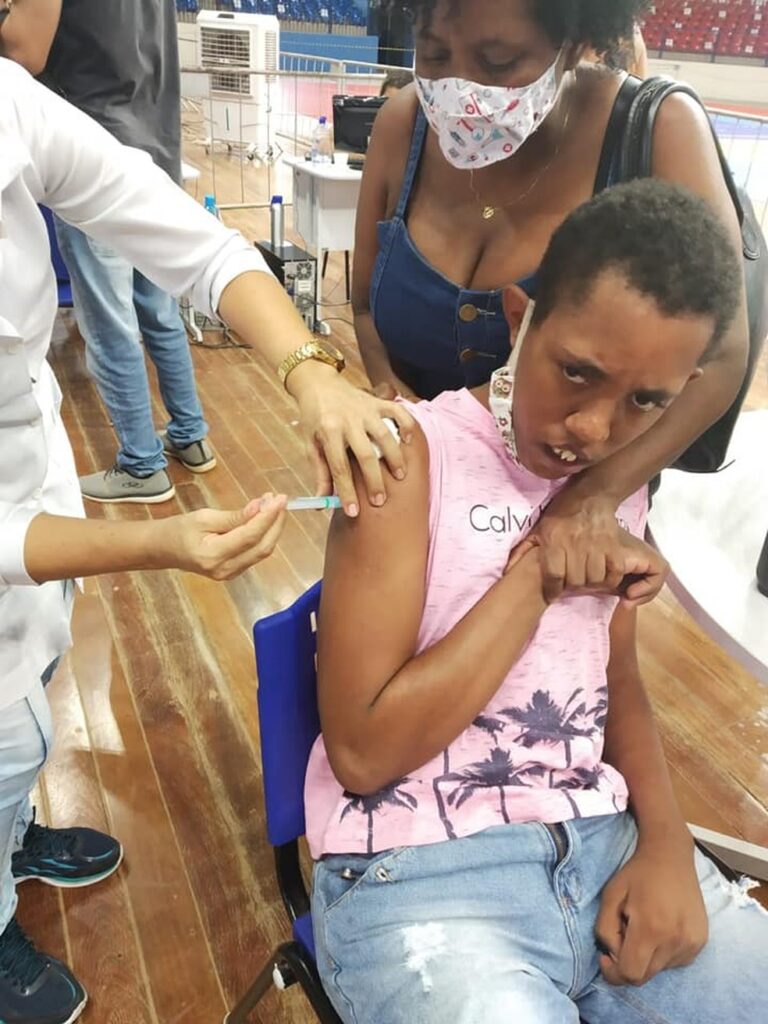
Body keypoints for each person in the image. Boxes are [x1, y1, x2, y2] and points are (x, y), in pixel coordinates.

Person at [0, 46, 411, 1023]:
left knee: (30, 701)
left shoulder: (13, 103)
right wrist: (164, 543)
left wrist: (309, 370)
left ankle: (12, 837)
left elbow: (194, 241)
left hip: (29, 473)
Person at [306, 180, 768, 1023]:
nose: (594, 428)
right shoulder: (408, 462)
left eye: (646, 401)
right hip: (420, 871)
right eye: (577, 373)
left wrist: (669, 847)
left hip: (601, 840)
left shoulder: (616, 486)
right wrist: (536, 575)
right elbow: (364, 756)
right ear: (521, 321)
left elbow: (614, 682)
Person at [354, 0, 750, 603]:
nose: (460, 90)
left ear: (576, 41)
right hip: (413, 507)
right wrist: (404, 418)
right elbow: (364, 307)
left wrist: (594, 496)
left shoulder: (656, 130)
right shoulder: (401, 125)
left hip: (569, 535)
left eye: (498, 61)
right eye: (433, 53)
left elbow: (721, 357)